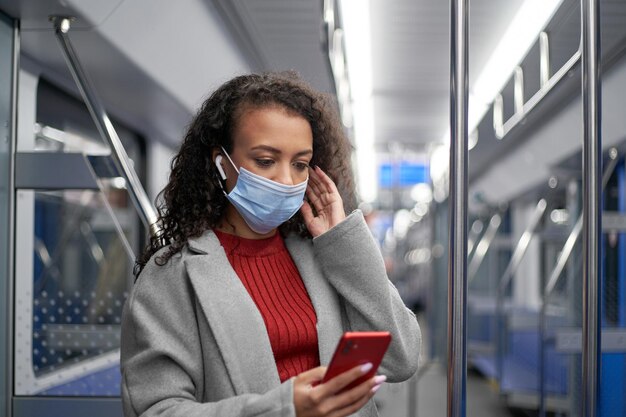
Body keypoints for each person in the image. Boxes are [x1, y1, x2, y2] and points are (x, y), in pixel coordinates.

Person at [120, 72, 421, 417]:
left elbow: (402, 358)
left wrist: (345, 241)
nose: (286, 180)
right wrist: (283, 409)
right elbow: (155, 411)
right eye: (265, 161)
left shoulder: (325, 256)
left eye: (300, 164)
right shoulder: (172, 277)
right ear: (221, 164)